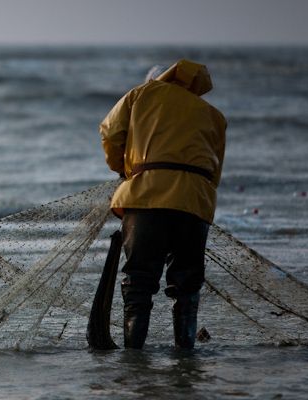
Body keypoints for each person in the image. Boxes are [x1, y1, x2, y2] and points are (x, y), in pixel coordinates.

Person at [99, 59, 227, 350]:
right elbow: (214, 170)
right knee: (187, 287)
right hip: (195, 204)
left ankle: (134, 360)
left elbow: (109, 132)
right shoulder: (213, 115)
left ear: (156, 80)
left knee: (139, 283)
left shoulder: (141, 95)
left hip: (146, 197)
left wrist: (123, 169)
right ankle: (185, 359)